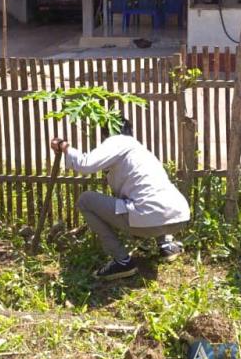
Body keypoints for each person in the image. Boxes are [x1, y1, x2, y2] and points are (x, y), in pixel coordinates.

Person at [50, 119, 190, 280]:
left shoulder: (117, 141)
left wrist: (64, 146)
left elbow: (85, 164)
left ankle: (122, 261)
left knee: (85, 200)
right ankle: (166, 246)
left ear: (107, 134)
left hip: (149, 220)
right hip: (179, 217)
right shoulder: (139, 150)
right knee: (147, 196)